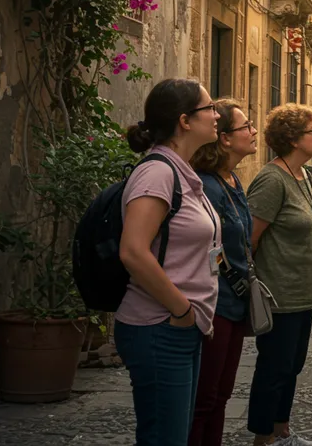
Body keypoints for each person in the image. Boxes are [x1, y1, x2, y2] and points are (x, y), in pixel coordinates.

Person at [116, 78, 222, 446]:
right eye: (209, 108)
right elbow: (132, 251)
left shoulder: (181, 170)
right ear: (185, 121)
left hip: (179, 327)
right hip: (160, 325)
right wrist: (181, 309)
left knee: (170, 435)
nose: (216, 114)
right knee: (165, 438)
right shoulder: (158, 172)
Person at [245, 104, 312, 446]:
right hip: (278, 294)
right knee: (274, 370)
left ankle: (282, 431)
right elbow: (250, 237)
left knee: (291, 367)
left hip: (303, 292)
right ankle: (263, 439)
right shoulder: (271, 179)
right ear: (293, 139)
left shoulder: (304, 175)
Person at [189, 99, 259, 446]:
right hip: (213, 305)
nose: (253, 131)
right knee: (204, 397)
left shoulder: (232, 180)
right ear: (225, 139)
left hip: (234, 303)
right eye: (246, 126)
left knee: (221, 394)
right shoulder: (207, 186)